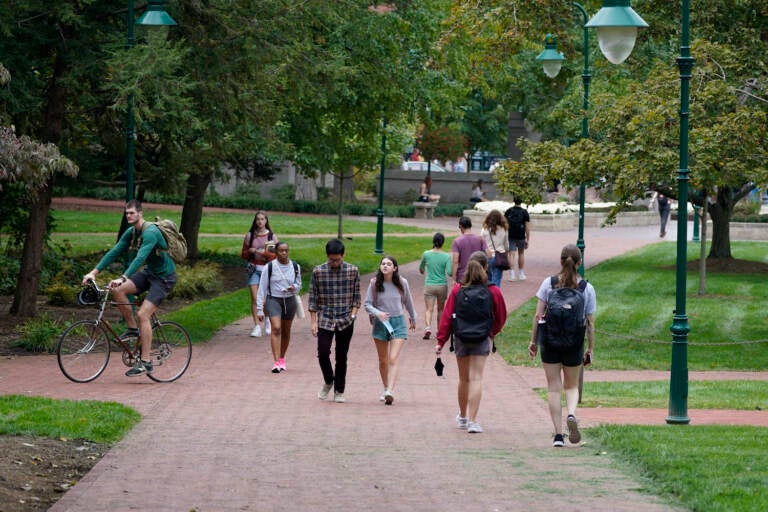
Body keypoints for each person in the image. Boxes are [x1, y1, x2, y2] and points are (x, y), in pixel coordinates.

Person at [81, 200, 177, 377]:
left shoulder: (151, 233)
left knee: (143, 314)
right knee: (117, 290)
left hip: (164, 278)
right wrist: (93, 272)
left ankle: (146, 362)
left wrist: (123, 277)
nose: (129, 216)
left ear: (140, 213)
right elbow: (115, 252)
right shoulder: (131, 232)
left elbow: (140, 258)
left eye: (132, 213)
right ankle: (133, 329)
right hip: (149, 273)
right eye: (126, 213)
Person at [528, 244, 596, 447]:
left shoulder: (548, 284)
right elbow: (590, 323)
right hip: (574, 342)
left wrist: (534, 341)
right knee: (572, 385)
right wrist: (590, 348)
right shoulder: (586, 288)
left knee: (554, 388)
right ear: (579, 263)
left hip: (550, 341)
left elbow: (538, 315)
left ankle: (558, 435)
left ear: (560, 261)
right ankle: (572, 414)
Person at [435, 251, 507, 433]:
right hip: (482, 337)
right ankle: (474, 422)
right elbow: (501, 316)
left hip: (461, 337)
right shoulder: (493, 291)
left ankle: (463, 416)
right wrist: (491, 332)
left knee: (463, 379)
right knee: (476, 378)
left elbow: (446, 317)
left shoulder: (458, 289)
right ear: (486, 267)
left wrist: (440, 341)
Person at [308, 239, 361, 403]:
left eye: (337, 259)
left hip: (345, 318)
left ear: (343, 255)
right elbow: (312, 298)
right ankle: (329, 380)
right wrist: (313, 321)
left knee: (341, 356)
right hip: (325, 317)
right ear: (327, 256)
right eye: (332, 259)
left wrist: (352, 315)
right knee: (323, 352)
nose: (335, 262)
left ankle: (339, 390)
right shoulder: (318, 271)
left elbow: (356, 298)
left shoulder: (352, 271)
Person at [364, 255, 417, 405]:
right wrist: (378, 313)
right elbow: (367, 304)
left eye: (389, 264)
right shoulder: (374, 283)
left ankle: (390, 391)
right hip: (381, 323)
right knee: (383, 360)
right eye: (383, 264)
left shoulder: (402, 282)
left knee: (393, 358)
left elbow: (408, 300)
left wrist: (413, 317)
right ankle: (385, 387)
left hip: (398, 322)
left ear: (395, 268)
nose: (385, 266)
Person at [257, 242, 301, 374]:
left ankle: (282, 358)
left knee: (286, 331)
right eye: (281, 251)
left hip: (289, 300)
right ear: (276, 252)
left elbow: (299, 284)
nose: (284, 253)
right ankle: (276, 361)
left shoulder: (295, 266)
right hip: (273, 300)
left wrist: (294, 287)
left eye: (286, 250)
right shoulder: (269, 267)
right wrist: (259, 308)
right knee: (276, 328)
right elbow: (262, 287)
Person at [241, 211, 278, 337]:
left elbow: (274, 256)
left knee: (265, 299)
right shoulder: (250, 236)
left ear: (266, 221)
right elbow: (243, 254)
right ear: (255, 221)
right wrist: (250, 252)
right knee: (255, 298)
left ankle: (267, 321)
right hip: (253, 269)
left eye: (262, 219)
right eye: (258, 219)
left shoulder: (271, 237)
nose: (260, 221)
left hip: (266, 269)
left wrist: (260, 252)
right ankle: (257, 326)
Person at [418, 233, 452, 340]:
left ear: (433, 241)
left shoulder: (426, 254)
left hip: (430, 285)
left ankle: (428, 328)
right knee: (440, 310)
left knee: (429, 309)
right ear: (443, 243)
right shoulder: (446, 256)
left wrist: (423, 270)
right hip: (442, 285)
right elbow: (450, 272)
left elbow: (421, 268)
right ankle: (439, 331)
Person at [451, 216, 487, 283]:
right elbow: (487, 255)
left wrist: (453, 278)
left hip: (462, 275)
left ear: (461, 226)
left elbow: (455, 261)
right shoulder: (480, 239)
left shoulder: (457, 241)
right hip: (478, 274)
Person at [480, 209, 509, 287]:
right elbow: (506, 245)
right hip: (500, 256)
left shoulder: (484, 229)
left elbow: (481, 243)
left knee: (487, 278)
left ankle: (488, 295)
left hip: (487, 256)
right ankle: (495, 295)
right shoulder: (504, 229)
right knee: (497, 278)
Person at [504, 197, 530, 281]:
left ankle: (512, 275)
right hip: (521, 236)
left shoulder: (509, 211)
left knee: (511, 254)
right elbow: (527, 227)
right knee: (521, 253)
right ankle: (521, 274)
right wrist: (527, 239)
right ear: (521, 201)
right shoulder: (524, 212)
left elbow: (504, 224)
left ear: (514, 201)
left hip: (511, 235)